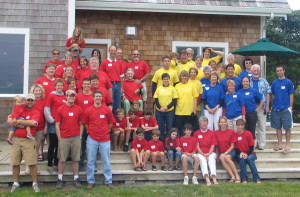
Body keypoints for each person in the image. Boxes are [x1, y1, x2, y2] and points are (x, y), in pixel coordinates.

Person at [7, 94, 41, 193]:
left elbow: (33, 123)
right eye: (28, 100)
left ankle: (35, 183)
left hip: (29, 140)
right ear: (25, 101)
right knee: (15, 162)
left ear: (35, 102)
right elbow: (9, 119)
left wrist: (18, 122)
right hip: (16, 139)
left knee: (31, 163)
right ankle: (15, 183)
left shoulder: (36, 112)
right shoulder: (19, 108)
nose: (30, 102)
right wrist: (21, 122)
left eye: (32, 100)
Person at [83, 90, 115, 190]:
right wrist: (90, 131)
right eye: (96, 96)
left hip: (105, 138)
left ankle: (109, 181)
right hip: (92, 138)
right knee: (91, 161)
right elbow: (86, 124)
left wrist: (104, 131)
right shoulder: (88, 110)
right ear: (93, 98)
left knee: (106, 161)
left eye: (99, 97)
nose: (98, 98)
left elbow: (110, 123)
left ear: (102, 98)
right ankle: (90, 181)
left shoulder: (107, 110)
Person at [55, 90, 83, 189]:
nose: (71, 97)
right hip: (64, 137)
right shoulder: (60, 109)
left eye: (73, 96)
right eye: (69, 95)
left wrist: (80, 136)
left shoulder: (79, 109)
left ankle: (76, 178)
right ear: (66, 97)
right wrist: (59, 138)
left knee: (76, 159)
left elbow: (81, 124)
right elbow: (57, 124)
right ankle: (59, 179)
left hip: (75, 137)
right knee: (62, 159)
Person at [44, 79, 67, 174]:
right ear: (55, 86)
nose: (59, 87)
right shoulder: (51, 95)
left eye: (61, 85)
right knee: (52, 145)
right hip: (53, 124)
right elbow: (46, 109)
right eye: (58, 85)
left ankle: (57, 163)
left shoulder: (65, 96)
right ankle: (50, 164)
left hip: (62, 125)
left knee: (59, 145)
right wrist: (51, 120)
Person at [270, 65, 294, 154]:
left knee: (287, 127)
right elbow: (273, 95)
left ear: (284, 71)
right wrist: (273, 105)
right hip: (276, 108)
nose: (279, 72)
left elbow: (291, 95)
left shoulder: (288, 82)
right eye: (277, 71)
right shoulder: (274, 83)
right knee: (277, 127)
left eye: (281, 70)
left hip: (285, 108)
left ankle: (287, 145)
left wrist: (290, 107)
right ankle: (279, 144)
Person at [250, 64, 271, 150]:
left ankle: (261, 143)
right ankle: (253, 143)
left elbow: (267, 94)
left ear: (259, 71)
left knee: (262, 125)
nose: (256, 72)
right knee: (252, 126)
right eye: (254, 70)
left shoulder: (264, 81)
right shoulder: (248, 81)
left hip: (262, 106)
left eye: (257, 70)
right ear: (251, 72)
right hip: (251, 107)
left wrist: (267, 106)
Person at [75, 78, 94, 170]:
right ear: (82, 85)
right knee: (81, 145)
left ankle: (93, 164)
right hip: (80, 125)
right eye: (85, 84)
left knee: (92, 146)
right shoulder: (78, 96)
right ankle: (81, 164)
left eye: (88, 84)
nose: (86, 85)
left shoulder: (93, 96)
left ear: (90, 85)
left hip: (91, 125)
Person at [214, 116, 240, 183]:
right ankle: (232, 176)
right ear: (219, 123)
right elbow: (216, 146)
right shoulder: (216, 133)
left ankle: (237, 175)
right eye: (222, 122)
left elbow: (232, 146)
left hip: (231, 151)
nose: (223, 123)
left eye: (224, 122)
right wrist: (217, 156)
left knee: (227, 158)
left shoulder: (231, 132)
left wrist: (225, 153)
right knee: (222, 158)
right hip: (222, 153)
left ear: (226, 123)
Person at [235, 119, 261, 184]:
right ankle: (244, 178)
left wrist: (246, 154)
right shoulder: (235, 135)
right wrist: (241, 153)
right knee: (242, 159)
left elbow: (252, 147)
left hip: (250, 153)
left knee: (249, 159)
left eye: (241, 125)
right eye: (238, 125)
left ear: (244, 126)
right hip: (240, 154)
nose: (240, 127)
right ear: (236, 126)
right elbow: (235, 147)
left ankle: (256, 178)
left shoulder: (248, 133)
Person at [194, 116, 218, 186]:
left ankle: (214, 177)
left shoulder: (212, 133)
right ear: (199, 124)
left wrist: (208, 154)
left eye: (206, 122)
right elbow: (197, 146)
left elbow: (213, 145)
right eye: (202, 122)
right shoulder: (196, 133)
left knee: (211, 158)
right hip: (201, 152)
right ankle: (207, 178)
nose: (204, 124)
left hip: (211, 152)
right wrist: (204, 155)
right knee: (202, 159)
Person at [154, 73, 178, 140]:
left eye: (167, 79)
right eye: (164, 79)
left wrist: (167, 107)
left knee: (169, 127)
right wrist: (160, 108)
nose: (166, 80)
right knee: (161, 127)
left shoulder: (172, 88)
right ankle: (161, 142)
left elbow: (174, 100)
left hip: (169, 111)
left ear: (169, 80)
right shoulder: (159, 88)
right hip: (159, 111)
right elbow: (156, 99)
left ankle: (168, 142)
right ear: (162, 80)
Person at [100, 45, 124, 113]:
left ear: (116, 52)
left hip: (118, 85)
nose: (113, 52)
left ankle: (117, 120)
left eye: (114, 50)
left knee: (118, 103)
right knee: (111, 102)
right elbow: (102, 76)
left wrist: (122, 87)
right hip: (109, 85)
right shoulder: (104, 63)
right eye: (111, 50)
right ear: (109, 51)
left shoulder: (119, 63)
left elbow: (121, 76)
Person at [174, 70, 198, 135]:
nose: (184, 78)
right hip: (179, 111)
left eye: (186, 76)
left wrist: (194, 110)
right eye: (183, 76)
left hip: (189, 111)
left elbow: (195, 98)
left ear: (188, 77)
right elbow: (175, 99)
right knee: (179, 129)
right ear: (180, 77)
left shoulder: (192, 85)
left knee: (189, 130)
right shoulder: (177, 86)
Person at [29, 84, 47, 163]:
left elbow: (45, 115)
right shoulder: (30, 102)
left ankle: (35, 162)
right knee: (30, 147)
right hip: (30, 127)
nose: (38, 92)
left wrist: (46, 126)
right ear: (33, 92)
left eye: (39, 91)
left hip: (41, 127)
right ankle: (29, 164)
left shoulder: (44, 101)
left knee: (37, 145)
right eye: (36, 91)